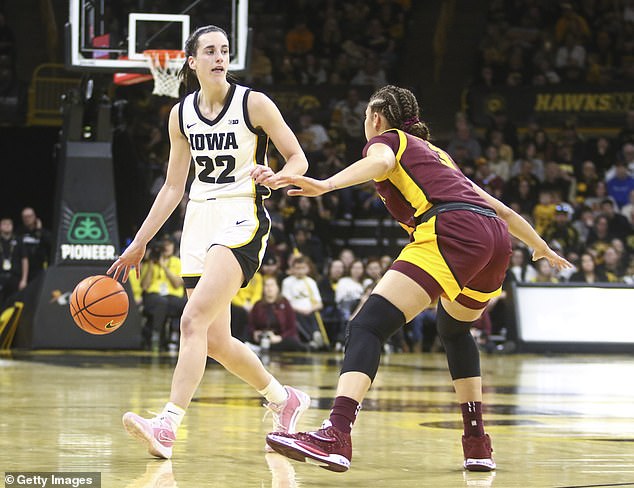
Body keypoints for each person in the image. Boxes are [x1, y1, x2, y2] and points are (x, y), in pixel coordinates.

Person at [265, 85, 571, 473]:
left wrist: (326, 185)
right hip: (494, 240)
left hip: (452, 229)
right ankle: (477, 443)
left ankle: (335, 432)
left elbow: (377, 162)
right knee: (455, 330)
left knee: (367, 327)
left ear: (376, 118)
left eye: (365, 118)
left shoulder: (387, 141)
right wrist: (539, 244)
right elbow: (498, 208)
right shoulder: (439, 156)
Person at [108, 25, 310, 460]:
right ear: (191, 61)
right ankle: (283, 399)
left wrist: (277, 174)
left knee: (191, 320)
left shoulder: (253, 102)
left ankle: (168, 424)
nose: (219, 57)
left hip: (241, 218)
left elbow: (298, 157)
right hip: (198, 221)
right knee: (216, 341)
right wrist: (139, 242)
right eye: (210, 51)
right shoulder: (179, 115)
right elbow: (171, 188)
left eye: (224, 50)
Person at [248, 276, 307, 352]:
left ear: (277, 288)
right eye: (266, 285)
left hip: (280, 338)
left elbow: (292, 327)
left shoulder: (285, 303)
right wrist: (255, 333)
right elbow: (250, 324)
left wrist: (280, 337)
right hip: (262, 338)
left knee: (293, 343)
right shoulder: (258, 305)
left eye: (272, 285)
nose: (269, 288)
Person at [17, 207, 52, 283]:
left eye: (29, 216)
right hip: (23, 271)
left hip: (40, 270)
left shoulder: (43, 232)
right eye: (25, 217)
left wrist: (40, 230)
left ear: (35, 217)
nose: (27, 219)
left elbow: (51, 244)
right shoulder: (19, 233)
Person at [0, 217, 28, 307]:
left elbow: (24, 259)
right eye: (4, 224)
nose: (7, 226)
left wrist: (24, 280)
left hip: (15, 278)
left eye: (9, 224)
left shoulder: (19, 240)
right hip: (1, 276)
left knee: (14, 304)